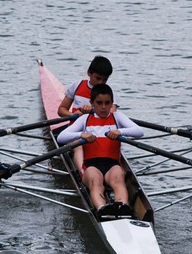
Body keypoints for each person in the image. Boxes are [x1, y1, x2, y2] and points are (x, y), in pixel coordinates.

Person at [56, 83, 143, 218]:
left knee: (119, 178)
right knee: (96, 181)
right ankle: (102, 209)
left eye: (107, 103)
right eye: (99, 103)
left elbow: (139, 131)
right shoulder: (85, 119)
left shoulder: (117, 117)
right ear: (92, 103)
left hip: (112, 165)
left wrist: (119, 131)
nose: (103, 107)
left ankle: (123, 207)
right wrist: (81, 134)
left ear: (112, 103)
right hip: (91, 166)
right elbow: (61, 137)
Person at [57, 55, 118, 172]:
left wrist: (92, 110)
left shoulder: (109, 92)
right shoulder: (77, 85)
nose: (101, 82)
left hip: (100, 133)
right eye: (98, 78)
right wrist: (75, 115)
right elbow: (61, 110)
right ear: (89, 73)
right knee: (79, 146)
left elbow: (111, 112)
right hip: (77, 132)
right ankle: (82, 173)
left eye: (105, 80)